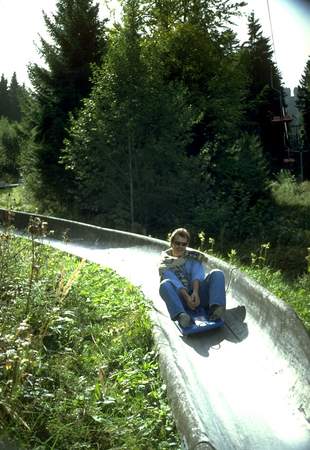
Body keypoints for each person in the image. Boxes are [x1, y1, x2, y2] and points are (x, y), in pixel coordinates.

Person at [158, 228, 226, 328]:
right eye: (177, 243)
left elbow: (197, 275)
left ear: (187, 245)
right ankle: (181, 316)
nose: (180, 246)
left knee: (217, 273)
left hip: (198, 296)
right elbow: (176, 283)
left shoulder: (192, 256)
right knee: (164, 285)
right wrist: (187, 298)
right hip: (182, 300)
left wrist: (195, 293)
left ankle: (216, 308)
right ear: (172, 243)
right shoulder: (164, 265)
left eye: (183, 244)